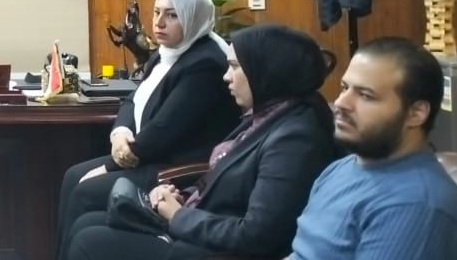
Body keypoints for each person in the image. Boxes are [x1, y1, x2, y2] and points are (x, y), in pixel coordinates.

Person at [64, 23, 337, 260]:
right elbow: (222, 179)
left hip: (217, 251)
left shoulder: (294, 140)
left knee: (89, 241)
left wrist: (178, 215)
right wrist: (180, 195)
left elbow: (256, 235)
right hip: (200, 224)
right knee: (87, 223)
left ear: (265, 71)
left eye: (234, 67)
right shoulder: (268, 114)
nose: (226, 76)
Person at [55, 0, 241, 258]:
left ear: (193, 19)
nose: (159, 22)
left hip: (177, 166)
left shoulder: (205, 63)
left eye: (172, 15)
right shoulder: (166, 53)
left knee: (85, 191)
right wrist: (120, 132)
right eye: (156, 12)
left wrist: (109, 165)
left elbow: (165, 129)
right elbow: (133, 99)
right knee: (73, 175)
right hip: (150, 154)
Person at [289, 36, 457, 259]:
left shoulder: (415, 205)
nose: (341, 102)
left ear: (416, 113)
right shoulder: (342, 168)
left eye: (365, 95)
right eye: (345, 88)